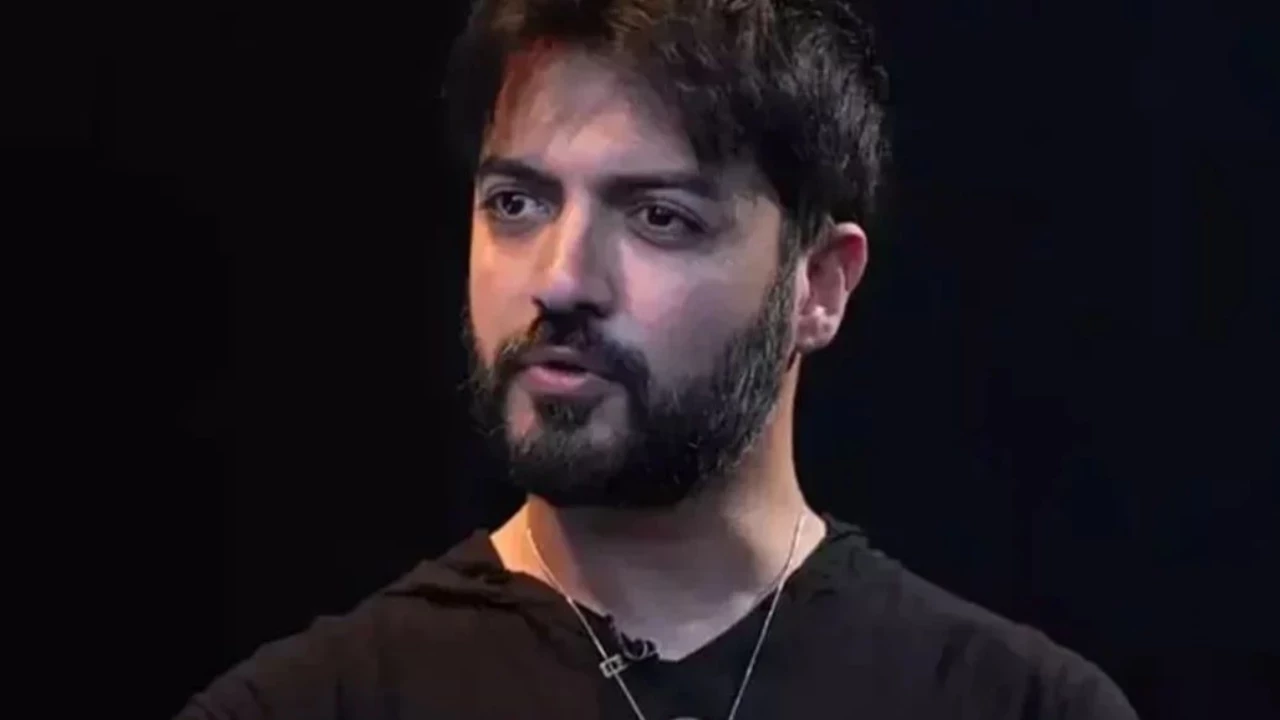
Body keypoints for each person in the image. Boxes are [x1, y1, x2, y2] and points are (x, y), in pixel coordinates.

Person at [176, 0, 1139, 718]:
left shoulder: (1016, 705)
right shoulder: (305, 706)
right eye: (517, 204)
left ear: (819, 285)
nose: (561, 280)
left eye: (658, 217)